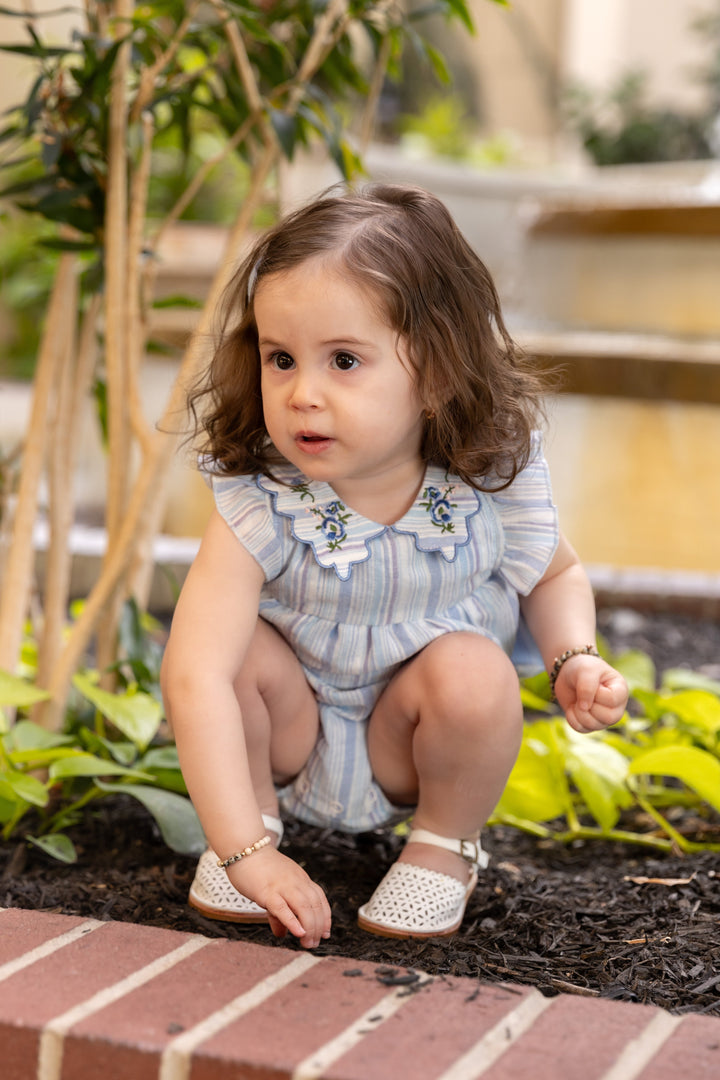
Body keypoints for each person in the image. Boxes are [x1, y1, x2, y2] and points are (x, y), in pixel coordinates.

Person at [161, 183, 628, 950]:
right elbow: (196, 674)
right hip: (290, 731)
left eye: (344, 360)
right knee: (229, 650)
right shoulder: (262, 500)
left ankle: (441, 847)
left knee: (474, 669)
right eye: (281, 359)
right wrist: (245, 850)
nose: (302, 394)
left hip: (407, 742)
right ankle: (253, 824)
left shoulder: (487, 483)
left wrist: (573, 655)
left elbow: (553, 574)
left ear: (437, 373)